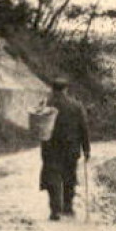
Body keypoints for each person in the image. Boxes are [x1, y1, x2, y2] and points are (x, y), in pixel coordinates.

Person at [39, 78, 91, 220]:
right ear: (66, 89)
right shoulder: (76, 106)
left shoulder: (46, 105)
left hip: (51, 148)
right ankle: (67, 207)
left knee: (52, 177)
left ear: (53, 89)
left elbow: (39, 125)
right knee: (69, 177)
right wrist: (86, 149)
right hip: (71, 148)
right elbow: (84, 128)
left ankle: (55, 209)